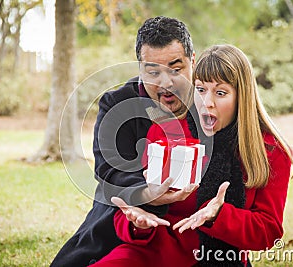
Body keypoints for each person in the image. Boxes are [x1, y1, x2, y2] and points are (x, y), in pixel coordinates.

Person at [97, 44, 293, 266]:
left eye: (220, 93)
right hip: (152, 255)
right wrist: (137, 224)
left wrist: (219, 215)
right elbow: (128, 213)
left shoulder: (269, 151)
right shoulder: (166, 131)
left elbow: (268, 232)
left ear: (242, 97)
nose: (206, 102)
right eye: (200, 89)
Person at [50, 16, 197, 267]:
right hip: (124, 216)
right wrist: (146, 194)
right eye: (153, 72)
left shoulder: (212, 103)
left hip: (193, 230)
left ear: (192, 61)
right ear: (139, 69)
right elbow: (109, 169)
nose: (166, 83)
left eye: (176, 68)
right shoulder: (117, 104)